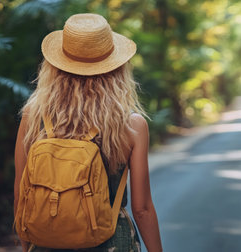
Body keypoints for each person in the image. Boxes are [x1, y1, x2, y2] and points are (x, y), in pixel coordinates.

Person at [14, 13, 163, 252]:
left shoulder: (34, 117)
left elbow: (21, 196)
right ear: (116, 66)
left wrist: (28, 247)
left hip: (46, 243)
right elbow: (142, 209)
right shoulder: (131, 125)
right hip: (112, 242)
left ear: (55, 65)